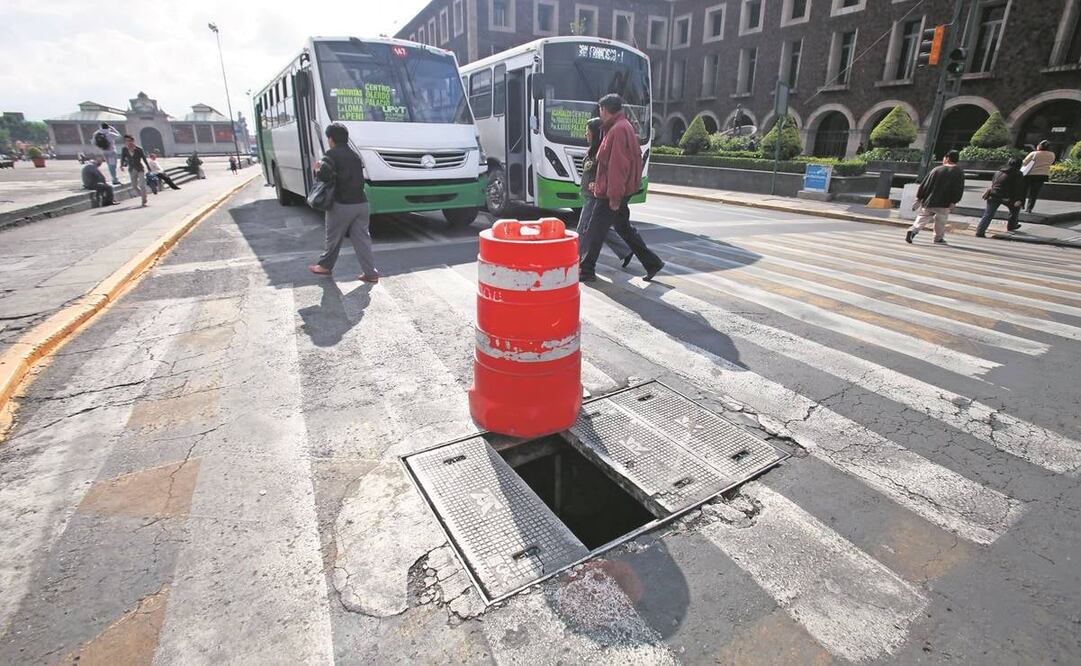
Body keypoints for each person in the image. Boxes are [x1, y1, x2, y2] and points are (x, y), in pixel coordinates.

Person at [579, 94, 664, 282]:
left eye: (600, 110)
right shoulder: (621, 127)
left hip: (611, 192)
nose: (599, 114)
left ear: (605, 110)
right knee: (623, 228)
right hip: (615, 191)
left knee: (595, 229)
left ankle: (586, 269)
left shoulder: (618, 130)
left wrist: (614, 197)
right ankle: (652, 263)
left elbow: (618, 167)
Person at [308, 123, 378, 283]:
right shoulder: (355, 155)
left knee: (333, 238)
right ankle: (371, 273)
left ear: (331, 139)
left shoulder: (330, 155)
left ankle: (325, 267)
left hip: (341, 204)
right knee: (362, 239)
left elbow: (325, 177)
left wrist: (318, 168)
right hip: (361, 203)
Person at [578, 117, 632, 267]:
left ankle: (577, 259)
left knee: (584, 228)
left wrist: (598, 184)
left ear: (595, 133)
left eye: (588, 132)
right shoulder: (593, 149)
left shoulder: (604, 150)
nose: (586, 135)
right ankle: (626, 250)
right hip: (589, 195)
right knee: (599, 228)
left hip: (595, 196)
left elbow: (610, 172)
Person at [905, 150, 965, 245]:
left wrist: (919, 198)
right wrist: (954, 201)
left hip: (929, 201)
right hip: (944, 202)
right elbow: (958, 188)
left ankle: (913, 230)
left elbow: (924, 185)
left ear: (947, 158)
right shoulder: (958, 172)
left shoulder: (936, 169)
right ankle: (938, 238)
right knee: (941, 221)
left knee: (923, 217)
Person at [975, 157, 1026, 237]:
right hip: (1007, 197)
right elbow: (1018, 188)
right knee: (1015, 210)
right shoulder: (1018, 173)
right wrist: (1019, 200)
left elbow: (994, 183)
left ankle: (980, 231)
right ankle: (1011, 226)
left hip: (993, 194)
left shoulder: (999, 171)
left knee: (988, 214)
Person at [1021, 140, 1056, 213]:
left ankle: (1021, 205)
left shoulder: (1034, 153)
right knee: (1034, 193)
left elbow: (1024, 163)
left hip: (1030, 174)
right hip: (1043, 175)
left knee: (1023, 190)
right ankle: (1029, 208)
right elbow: (1051, 162)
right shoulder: (1052, 154)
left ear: (1040, 146)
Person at [120, 135, 151, 207]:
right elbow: (122, 157)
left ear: (133, 141)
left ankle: (143, 201)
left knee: (142, 185)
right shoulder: (124, 149)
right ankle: (143, 195)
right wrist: (121, 165)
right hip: (131, 169)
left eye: (129, 141)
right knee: (134, 186)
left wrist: (148, 167)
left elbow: (144, 159)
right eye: (126, 141)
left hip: (140, 169)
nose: (128, 142)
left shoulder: (138, 149)